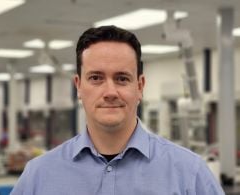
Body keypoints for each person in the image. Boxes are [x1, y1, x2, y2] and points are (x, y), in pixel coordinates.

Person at [11, 25, 225, 195]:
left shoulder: (189, 173)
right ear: (78, 86)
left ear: (139, 86)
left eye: (122, 78)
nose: (110, 91)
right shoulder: (38, 176)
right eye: (96, 78)